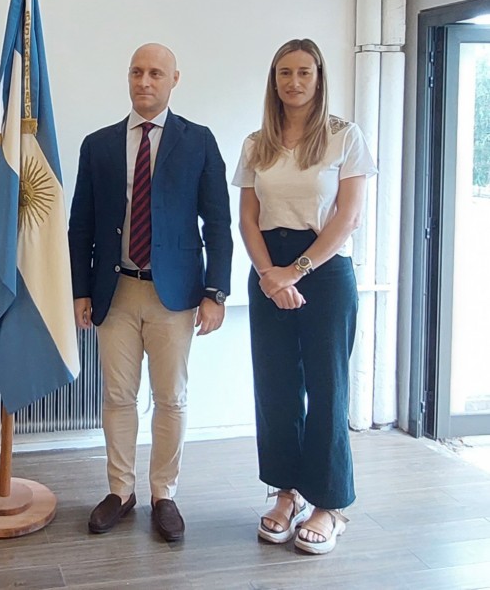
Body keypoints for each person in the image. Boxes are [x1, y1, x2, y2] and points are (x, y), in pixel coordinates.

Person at [69, 43, 233, 542]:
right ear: (128, 78)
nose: (145, 81)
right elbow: (81, 225)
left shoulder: (198, 141)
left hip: (176, 296)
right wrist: (79, 290)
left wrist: (216, 292)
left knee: (171, 399)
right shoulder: (97, 144)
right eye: (137, 72)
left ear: (174, 80)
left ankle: (165, 493)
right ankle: (121, 490)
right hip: (114, 291)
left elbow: (219, 223)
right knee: (117, 397)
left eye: (155, 73)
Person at [232, 38, 375, 554]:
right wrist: (270, 273)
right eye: (284, 73)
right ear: (273, 80)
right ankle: (285, 494)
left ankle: (329, 505)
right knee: (276, 390)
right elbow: (247, 218)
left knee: (327, 388)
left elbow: (348, 216)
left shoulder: (345, 137)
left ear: (319, 78)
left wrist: (296, 271)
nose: (294, 82)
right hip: (268, 268)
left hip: (325, 271)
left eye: (304, 73)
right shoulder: (257, 143)